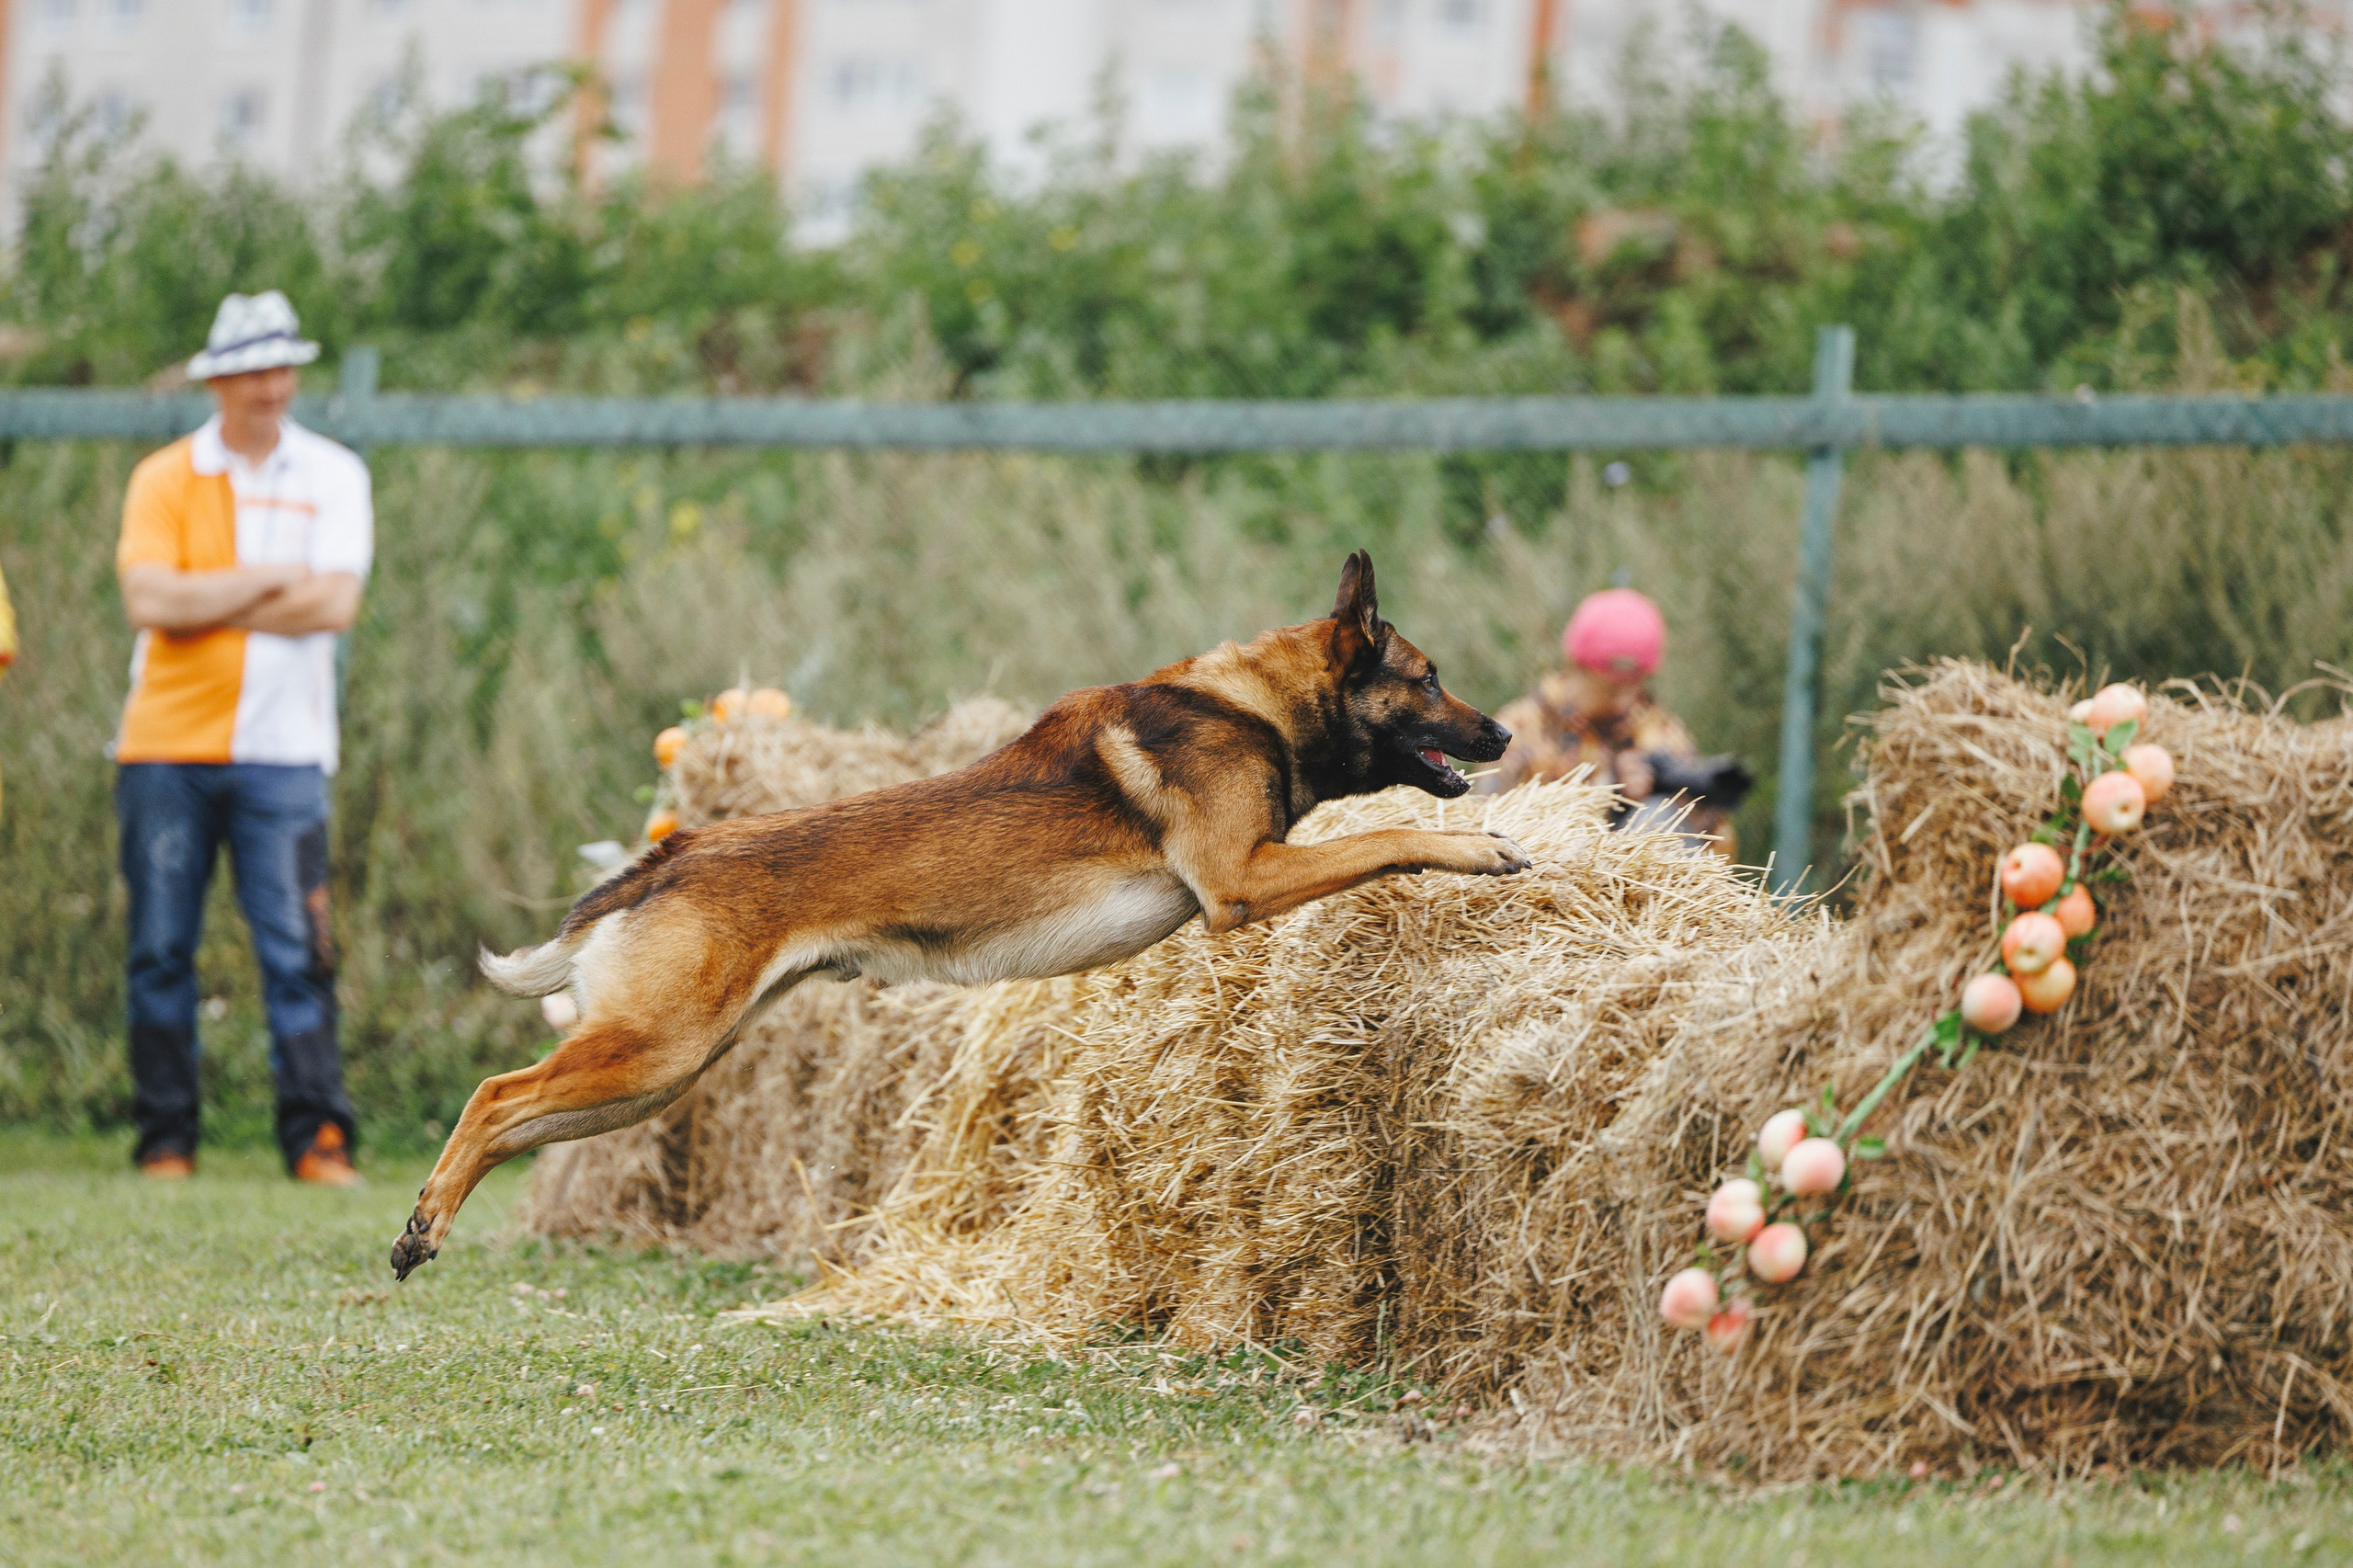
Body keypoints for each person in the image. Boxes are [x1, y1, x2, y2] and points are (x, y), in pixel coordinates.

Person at [113, 291, 371, 1184]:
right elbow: (150, 602)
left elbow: (333, 603)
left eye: (282, 365)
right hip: (164, 746)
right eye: (254, 368)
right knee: (158, 945)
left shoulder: (334, 474)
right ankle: (166, 1140)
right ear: (219, 378)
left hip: (288, 751)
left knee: (298, 948)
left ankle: (316, 1136)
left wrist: (207, 592)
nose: (272, 384)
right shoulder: (164, 477)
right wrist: (268, 580)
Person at [1482, 586, 1738, 858]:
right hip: (1546, 888)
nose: (1624, 702)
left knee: (1656, 817)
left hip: (1646, 896)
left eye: (1634, 687)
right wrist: (1609, 795)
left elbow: (1716, 857)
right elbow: (1490, 833)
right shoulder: (1520, 732)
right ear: (1577, 667)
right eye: (1611, 689)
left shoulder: (1662, 734)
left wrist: (1697, 810)